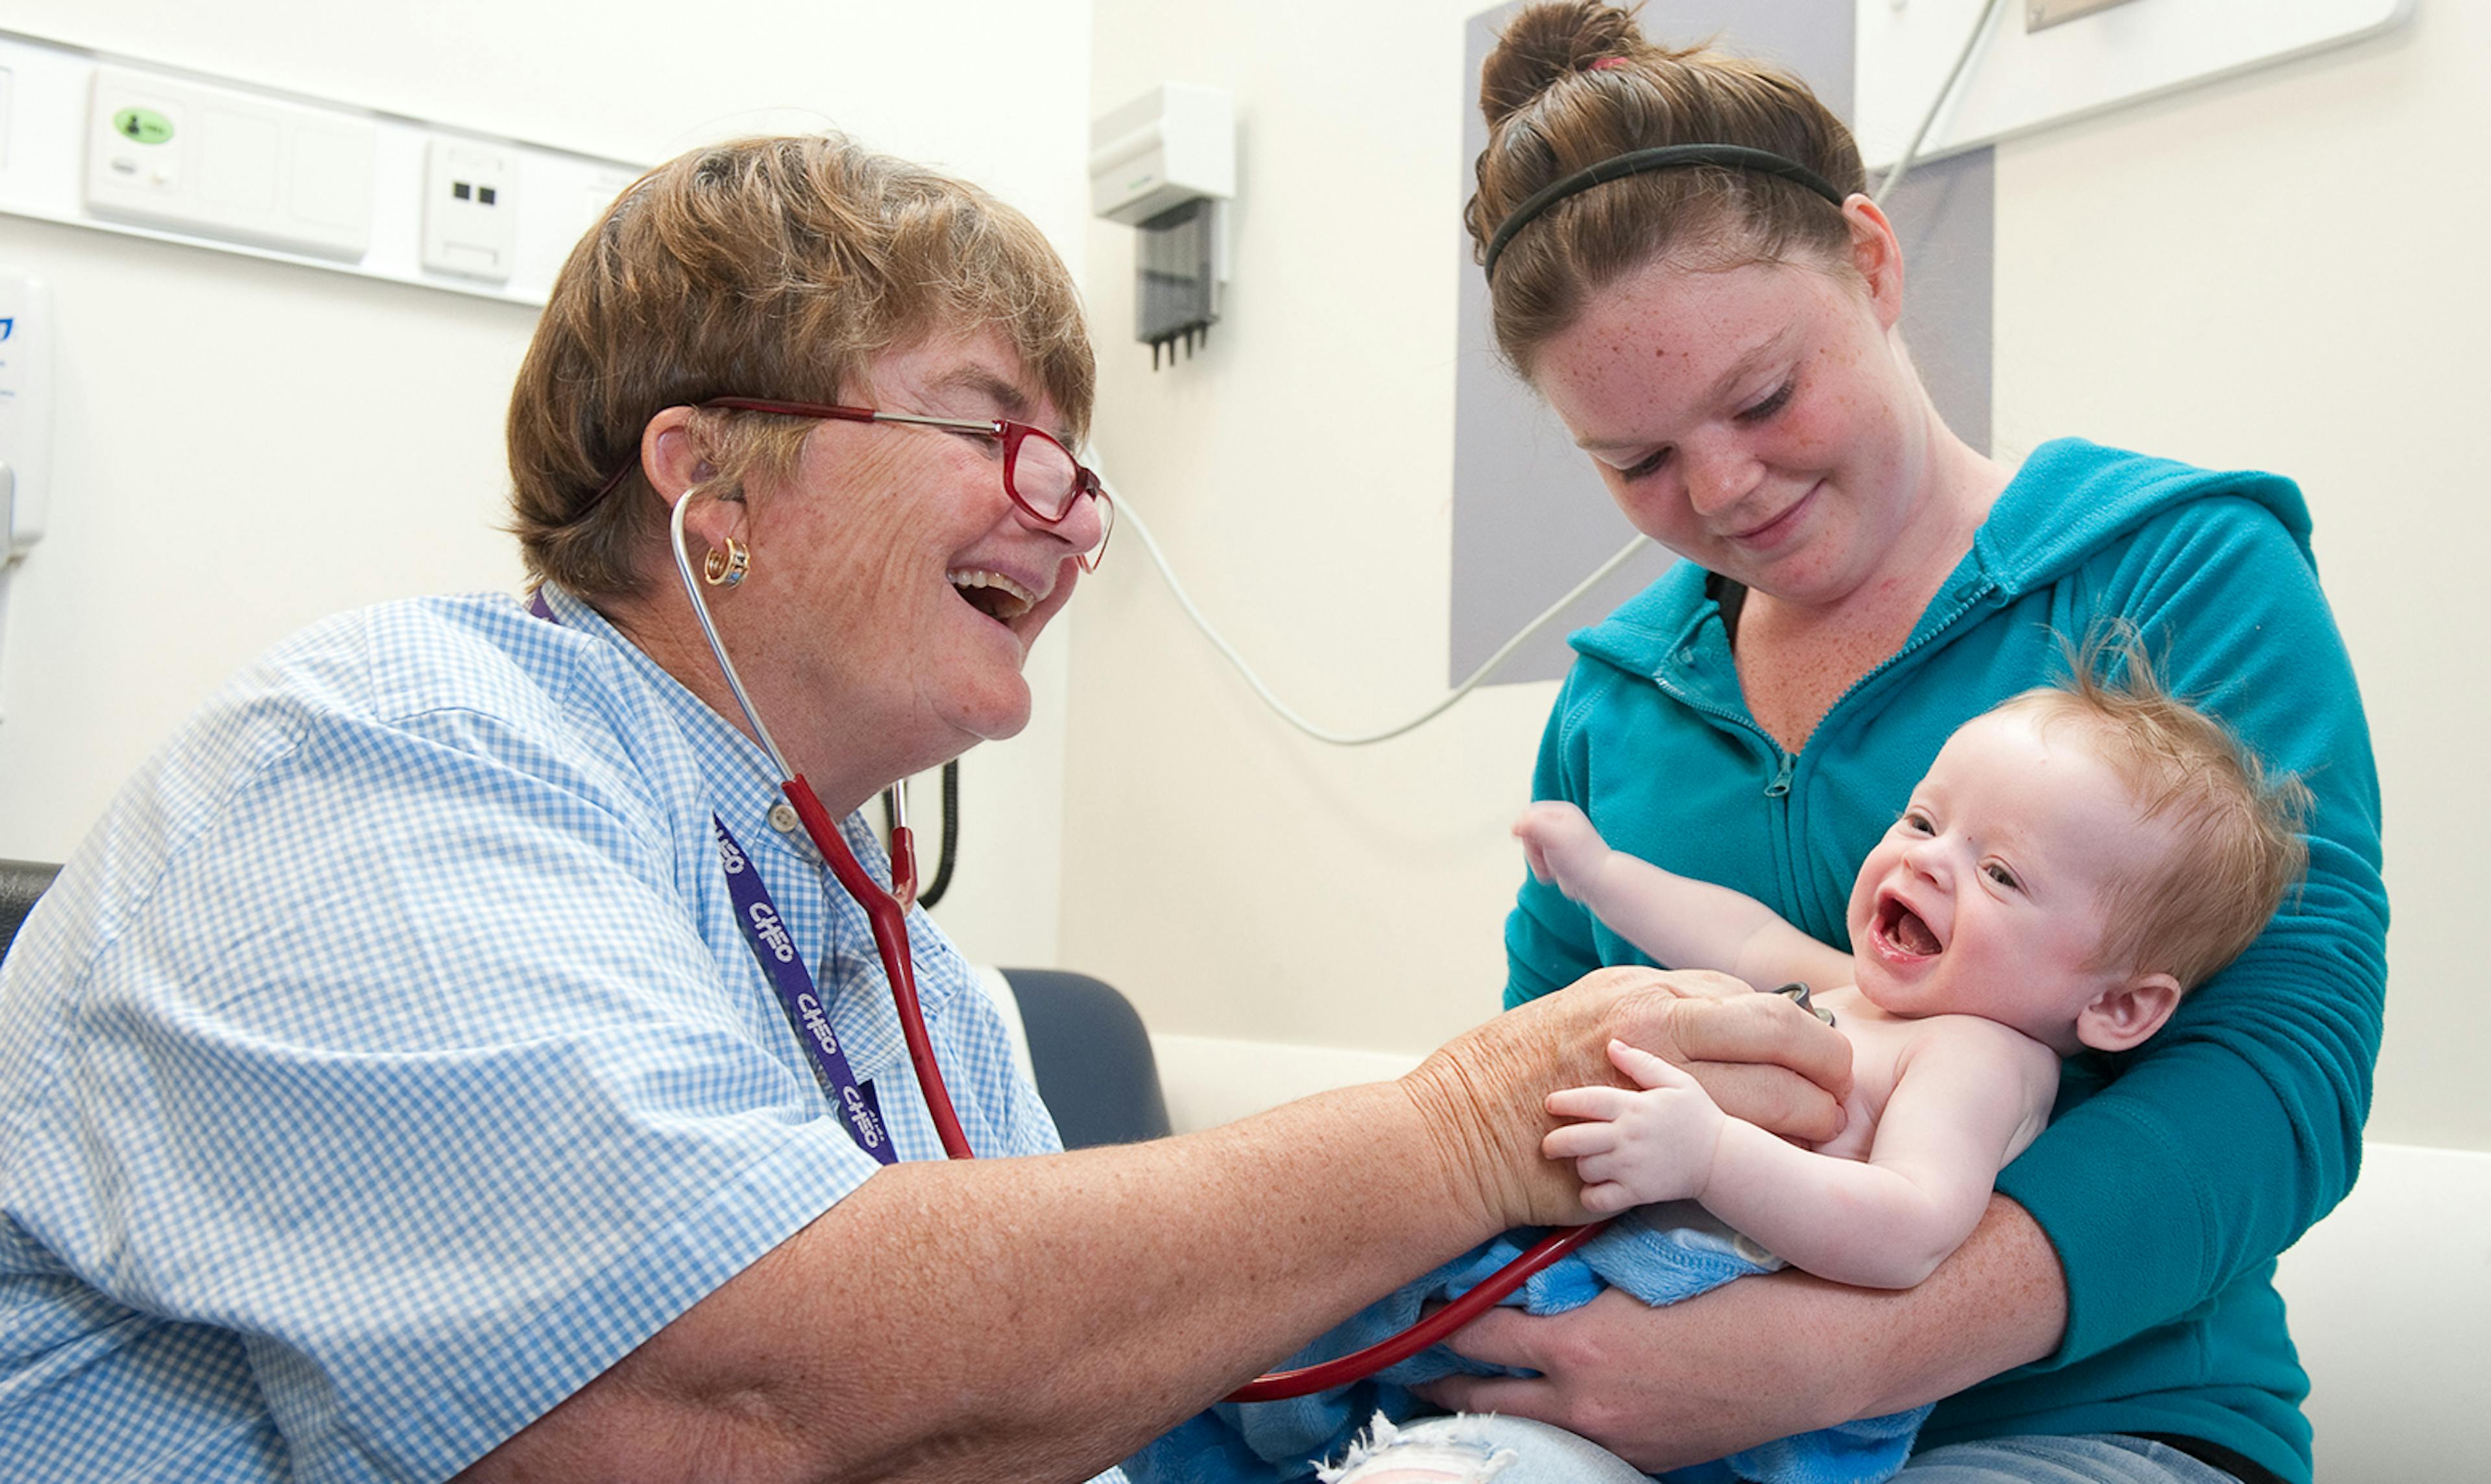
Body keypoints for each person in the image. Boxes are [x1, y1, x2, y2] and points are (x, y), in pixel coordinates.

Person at [0, 134, 1857, 1483]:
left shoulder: (914, 978)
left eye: (1080, 462)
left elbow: (1028, 1390)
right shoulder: (392, 750)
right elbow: (726, 1404)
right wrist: (1463, 1135)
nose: (1073, 518)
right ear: (707, 480)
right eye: (993, 431)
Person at [1341, 5, 2386, 1483]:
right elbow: (1545, 1080)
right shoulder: (1615, 699)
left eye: (1761, 395)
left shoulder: (2170, 572)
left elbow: (2282, 1071)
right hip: (1648, 1417)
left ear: (1874, 262)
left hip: (2085, 1422)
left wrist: (1841, 1355)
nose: (1720, 485)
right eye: (1632, 458)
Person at [1527, 648, 2313, 1280]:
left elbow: (1907, 1229)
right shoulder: (1865, 990)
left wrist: (1711, 1156)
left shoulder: (1980, 1058)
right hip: (1614, 1255)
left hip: (1699, 1310)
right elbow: (1738, 936)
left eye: (2002, 873)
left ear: (2117, 1007)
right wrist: (1599, 873)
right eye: (1922, 819)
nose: (1931, 860)